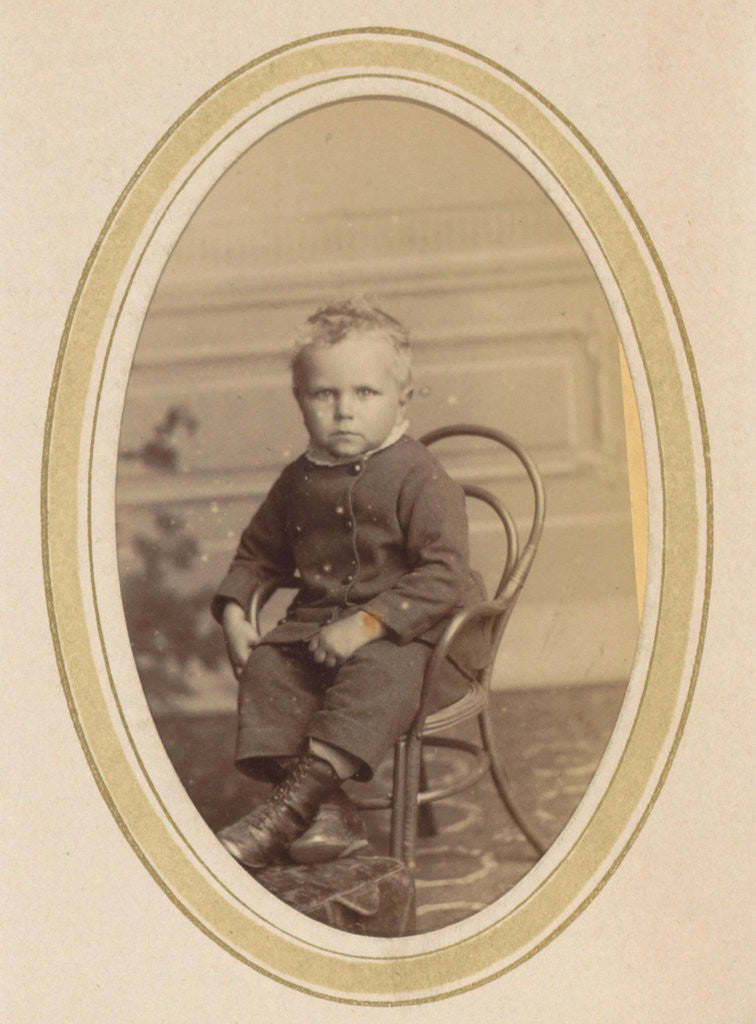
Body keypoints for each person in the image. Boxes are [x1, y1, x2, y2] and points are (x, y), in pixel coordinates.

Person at [212, 299, 488, 871]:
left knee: (382, 669)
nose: (344, 412)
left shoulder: (420, 476)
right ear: (300, 401)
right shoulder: (299, 479)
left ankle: (283, 817)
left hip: (420, 640)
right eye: (324, 394)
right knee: (267, 667)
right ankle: (330, 810)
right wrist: (237, 612)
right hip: (318, 635)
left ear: (401, 400)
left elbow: (445, 576)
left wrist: (365, 625)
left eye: (365, 394)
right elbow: (257, 553)